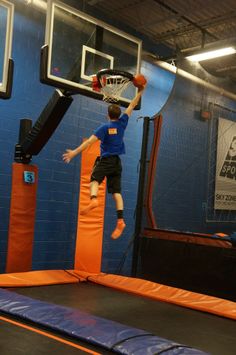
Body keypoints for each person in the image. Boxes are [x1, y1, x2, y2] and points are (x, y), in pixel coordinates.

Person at [62, 83, 146, 239]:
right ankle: (120, 220)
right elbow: (132, 105)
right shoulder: (122, 123)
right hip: (117, 163)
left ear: (108, 115)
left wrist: (74, 152)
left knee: (93, 180)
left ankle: (93, 200)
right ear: (118, 115)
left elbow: (88, 143)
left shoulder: (104, 127)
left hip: (106, 160)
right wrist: (140, 91)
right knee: (117, 193)